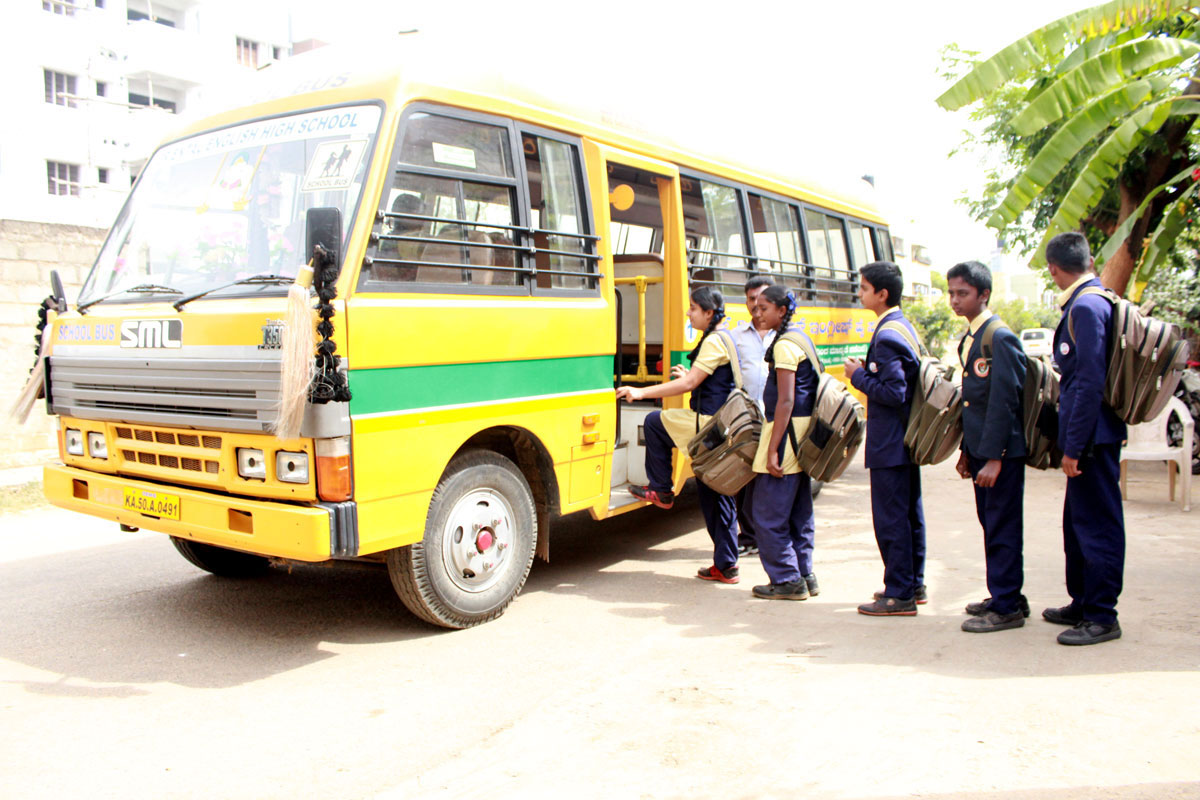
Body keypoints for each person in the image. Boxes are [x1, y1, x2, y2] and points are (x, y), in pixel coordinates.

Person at [616, 286, 742, 584]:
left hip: (708, 425)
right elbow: (702, 380)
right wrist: (689, 376)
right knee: (715, 495)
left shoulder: (713, 341)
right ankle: (726, 565)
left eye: (693, 308)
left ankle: (661, 489)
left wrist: (641, 391)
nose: (688, 313)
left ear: (709, 313)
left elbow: (690, 386)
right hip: (721, 423)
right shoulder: (725, 336)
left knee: (654, 422)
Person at [1043, 232, 1126, 645]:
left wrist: (1074, 447)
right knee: (1077, 525)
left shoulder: (1088, 306)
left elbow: (1088, 382)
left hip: (1092, 436)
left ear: (1054, 268)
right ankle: (1083, 602)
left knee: (1097, 526)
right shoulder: (1090, 300)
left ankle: (1102, 615)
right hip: (1088, 433)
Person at [947, 260, 1030, 633]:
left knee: (1002, 527)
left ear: (984, 295)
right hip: (983, 450)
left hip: (1003, 455)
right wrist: (969, 451)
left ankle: (1008, 605)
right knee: (991, 524)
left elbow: (1005, 401)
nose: (954, 300)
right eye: (951, 293)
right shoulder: (972, 337)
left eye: (962, 293)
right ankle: (1004, 595)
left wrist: (994, 457)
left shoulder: (999, 337)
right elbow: (973, 403)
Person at [843, 261, 927, 616]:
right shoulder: (902, 327)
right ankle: (912, 583)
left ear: (882, 294)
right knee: (909, 516)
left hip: (890, 442)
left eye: (863, 288)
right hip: (905, 440)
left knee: (892, 519)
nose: (859, 294)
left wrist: (858, 376)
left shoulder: (888, 336)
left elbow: (894, 392)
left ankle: (900, 593)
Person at [747, 285, 821, 600]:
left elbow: (786, 401)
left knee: (767, 513)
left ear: (781, 310)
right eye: (755, 307)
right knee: (799, 511)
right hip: (804, 434)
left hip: (787, 434)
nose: (757, 313)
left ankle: (787, 579)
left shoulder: (784, 346)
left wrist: (774, 448)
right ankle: (805, 574)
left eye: (764, 308)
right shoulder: (800, 337)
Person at [731, 275, 776, 558]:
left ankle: (768, 537)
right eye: (750, 301)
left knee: (770, 480)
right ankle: (749, 536)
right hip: (747, 420)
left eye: (761, 301)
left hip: (776, 419)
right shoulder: (736, 337)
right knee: (743, 480)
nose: (756, 307)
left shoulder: (785, 335)